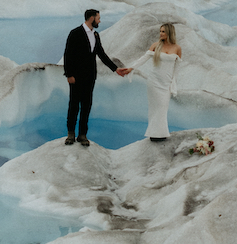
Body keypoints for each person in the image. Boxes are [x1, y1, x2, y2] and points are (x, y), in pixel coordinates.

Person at [63, 9, 129, 146]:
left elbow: (102, 55)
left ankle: (82, 135)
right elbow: (68, 54)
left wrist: (115, 69)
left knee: (86, 106)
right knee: (74, 105)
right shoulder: (75, 33)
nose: (100, 20)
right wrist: (69, 74)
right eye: (98, 18)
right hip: (76, 77)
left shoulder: (96, 35)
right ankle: (70, 134)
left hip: (90, 77)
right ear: (91, 18)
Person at [139, 22, 182, 141]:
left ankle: (160, 133)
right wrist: (131, 68)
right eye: (160, 31)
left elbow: (177, 69)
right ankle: (155, 135)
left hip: (166, 83)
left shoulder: (177, 48)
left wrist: (173, 85)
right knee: (154, 108)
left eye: (163, 31)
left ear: (169, 33)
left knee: (163, 107)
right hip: (154, 82)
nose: (160, 33)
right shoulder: (155, 45)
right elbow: (143, 58)